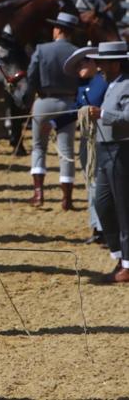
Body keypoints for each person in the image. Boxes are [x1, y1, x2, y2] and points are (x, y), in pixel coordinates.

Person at [26, 12, 80, 210]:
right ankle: (67, 198)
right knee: (66, 151)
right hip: (68, 103)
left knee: (39, 147)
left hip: (44, 101)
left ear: (58, 30)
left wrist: (31, 99)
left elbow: (31, 78)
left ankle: (38, 192)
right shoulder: (77, 52)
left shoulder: (41, 49)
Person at [86, 41, 129, 283]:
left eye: (103, 62)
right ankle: (119, 254)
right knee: (102, 203)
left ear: (115, 63)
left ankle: (127, 264)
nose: (99, 66)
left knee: (123, 208)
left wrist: (102, 114)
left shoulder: (126, 85)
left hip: (121, 149)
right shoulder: (110, 84)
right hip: (105, 149)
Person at [57, 46, 109, 244]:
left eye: (83, 62)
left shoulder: (102, 83)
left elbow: (91, 106)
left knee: (99, 184)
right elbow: (76, 110)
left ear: (94, 63)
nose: (79, 66)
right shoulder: (84, 86)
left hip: (103, 139)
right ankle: (97, 227)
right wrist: (54, 123)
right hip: (89, 140)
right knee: (91, 183)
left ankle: (103, 228)